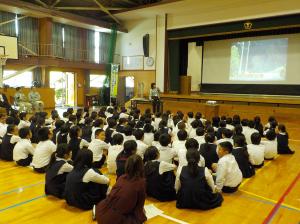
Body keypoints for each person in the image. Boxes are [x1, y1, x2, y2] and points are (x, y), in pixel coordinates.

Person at [96, 154, 147, 224]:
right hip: (115, 219)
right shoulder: (141, 183)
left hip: (101, 211)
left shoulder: (122, 177)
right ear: (141, 167)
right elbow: (139, 206)